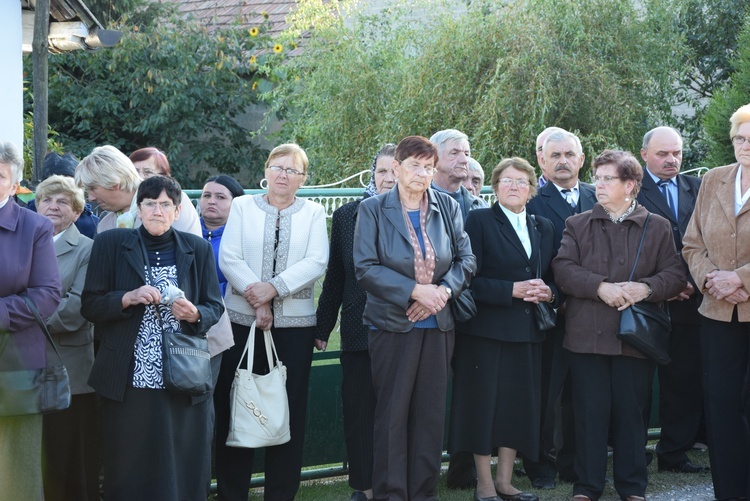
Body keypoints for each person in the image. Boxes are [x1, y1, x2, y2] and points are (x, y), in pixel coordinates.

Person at [552, 150, 684, 501]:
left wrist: (646, 288)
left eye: (607, 178)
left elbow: (674, 273)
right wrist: (599, 286)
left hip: (635, 339)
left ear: (630, 185)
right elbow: (563, 269)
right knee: (589, 415)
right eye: (597, 178)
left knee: (631, 416)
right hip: (586, 337)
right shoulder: (577, 223)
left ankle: (632, 486)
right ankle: (587, 486)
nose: (598, 184)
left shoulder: (657, 226)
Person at [81, 175, 224, 500]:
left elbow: (214, 306)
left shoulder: (197, 248)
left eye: (165, 205)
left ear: (176, 211)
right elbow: (89, 304)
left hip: (182, 373)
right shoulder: (112, 244)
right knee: (130, 458)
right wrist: (126, 298)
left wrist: (195, 314)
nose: (157, 211)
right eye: (149, 204)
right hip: (129, 376)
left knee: (182, 456)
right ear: (139, 208)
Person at [353, 135, 476, 501]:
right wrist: (414, 290)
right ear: (397, 168)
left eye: (428, 167)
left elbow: (465, 261)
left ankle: (423, 493)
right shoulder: (373, 209)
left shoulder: (448, 207)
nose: (422, 174)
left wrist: (442, 292)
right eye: (414, 166)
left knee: (430, 414)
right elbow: (365, 267)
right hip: (392, 324)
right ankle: (392, 494)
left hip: (438, 325)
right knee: (392, 415)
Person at [217, 143, 329, 501]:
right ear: (265, 171)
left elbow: (316, 261)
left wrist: (273, 290)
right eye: (277, 167)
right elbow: (229, 256)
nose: (283, 175)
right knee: (238, 403)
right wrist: (256, 297)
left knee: (287, 409)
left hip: (295, 329)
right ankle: (233, 492)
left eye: (292, 170)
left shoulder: (312, 212)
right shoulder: (241, 206)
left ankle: (280, 494)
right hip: (240, 323)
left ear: (303, 179)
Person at [449, 157, 556, 501]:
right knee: (483, 407)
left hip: (527, 332)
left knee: (516, 407)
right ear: (494, 187)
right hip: (485, 332)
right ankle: (483, 484)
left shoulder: (543, 226)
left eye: (521, 182)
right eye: (507, 181)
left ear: (531, 190)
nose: (514, 187)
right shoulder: (478, 220)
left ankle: (506, 482)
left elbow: (552, 275)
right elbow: (466, 280)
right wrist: (510, 290)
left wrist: (549, 291)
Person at [315, 143, 396, 501]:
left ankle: (396, 482)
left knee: (395, 413)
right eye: (382, 172)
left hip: (402, 330)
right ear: (372, 174)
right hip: (357, 328)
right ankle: (365, 486)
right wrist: (322, 326)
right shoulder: (349, 215)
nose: (389, 179)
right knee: (360, 409)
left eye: (396, 171)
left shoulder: (420, 213)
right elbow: (336, 276)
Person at [682, 103, 750, 501]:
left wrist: (740, 279)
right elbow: (692, 243)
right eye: (740, 139)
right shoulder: (713, 179)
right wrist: (714, 280)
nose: (745, 146)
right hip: (718, 311)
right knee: (722, 406)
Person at [525, 130, 597, 487]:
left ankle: (573, 463)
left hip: (593, 314)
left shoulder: (597, 196)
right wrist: (558, 297)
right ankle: (540, 465)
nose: (563, 161)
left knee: (581, 394)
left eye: (570, 154)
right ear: (542, 160)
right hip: (549, 314)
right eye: (555, 155)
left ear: (582, 159)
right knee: (546, 394)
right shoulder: (531, 201)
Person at [636, 126, 708, 474]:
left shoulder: (699, 188)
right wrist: (668, 284)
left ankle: (675, 453)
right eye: (663, 153)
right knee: (639, 386)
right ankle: (634, 454)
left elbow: (711, 239)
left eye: (676, 153)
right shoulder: (632, 191)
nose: (671, 160)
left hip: (693, 303)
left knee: (684, 380)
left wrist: (692, 281)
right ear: (644, 154)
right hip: (648, 304)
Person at [0, 141, 62, 500]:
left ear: (14, 185)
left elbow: (47, 295)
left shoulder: (35, 227)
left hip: (16, 363)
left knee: (16, 467)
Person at [35, 175, 98, 501]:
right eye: (47, 199)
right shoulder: (24, 244)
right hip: (23, 366)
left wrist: (20, 319)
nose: (53, 206)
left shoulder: (88, 248)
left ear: (76, 212)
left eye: (62, 202)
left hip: (69, 371)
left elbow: (77, 307)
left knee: (70, 460)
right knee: (35, 456)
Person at [74, 145, 200, 235]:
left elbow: (189, 259)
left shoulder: (171, 202)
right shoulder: (105, 223)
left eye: (93, 188)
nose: (91, 198)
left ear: (114, 183)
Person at [25, 152, 100, 239]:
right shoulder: (24, 219)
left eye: (69, 185)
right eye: (54, 185)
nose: (53, 207)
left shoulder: (93, 224)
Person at [199, 174, 245, 296]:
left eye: (220, 197)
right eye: (206, 196)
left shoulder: (244, 237)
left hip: (228, 305)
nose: (211, 201)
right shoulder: (186, 232)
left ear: (236, 203)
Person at [430, 129, 488, 219]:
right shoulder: (418, 203)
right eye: (454, 153)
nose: (464, 160)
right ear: (434, 159)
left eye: (466, 154)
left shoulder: (480, 206)